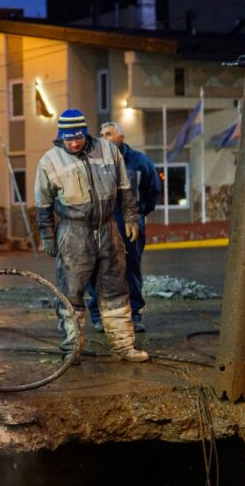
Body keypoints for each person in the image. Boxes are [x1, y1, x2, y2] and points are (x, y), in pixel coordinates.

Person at [34, 109, 149, 362]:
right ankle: (71, 349)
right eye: (68, 139)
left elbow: (125, 189)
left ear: (85, 133)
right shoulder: (50, 161)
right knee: (71, 293)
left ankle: (124, 347)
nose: (74, 143)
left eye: (78, 138)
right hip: (73, 232)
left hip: (108, 230)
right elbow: (43, 204)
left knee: (116, 290)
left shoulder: (109, 151)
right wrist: (48, 235)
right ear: (60, 136)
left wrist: (130, 217)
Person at [87, 122, 161, 333]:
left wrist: (138, 214)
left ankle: (133, 315)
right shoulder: (94, 162)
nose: (103, 138)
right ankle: (99, 315)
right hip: (101, 222)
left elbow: (153, 190)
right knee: (98, 270)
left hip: (130, 224)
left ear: (121, 137)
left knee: (130, 270)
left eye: (108, 134)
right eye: (101, 135)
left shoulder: (139, 161)